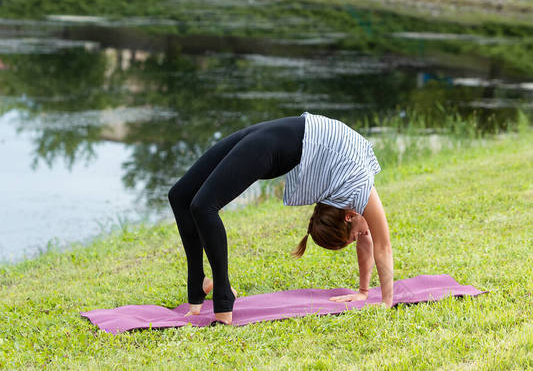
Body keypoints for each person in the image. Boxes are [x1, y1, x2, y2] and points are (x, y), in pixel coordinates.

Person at [168, 112, 394, 325]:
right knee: (187, 199)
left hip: (281, 133)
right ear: (349, 216)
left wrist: (363, 292)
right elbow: (383, 246)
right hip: (273, 143)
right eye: (356, 236)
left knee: (194, 202)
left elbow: (368, 240)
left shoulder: (351, 198)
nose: (365, 235)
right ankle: (221, 295)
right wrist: (386, 302)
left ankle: (202, 289)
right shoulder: (361, 186)